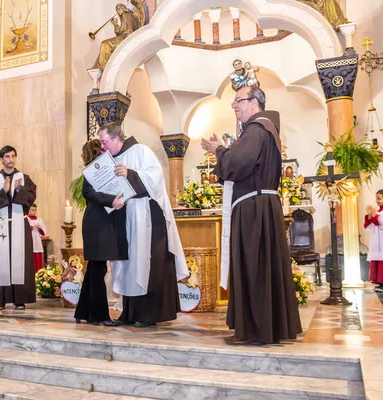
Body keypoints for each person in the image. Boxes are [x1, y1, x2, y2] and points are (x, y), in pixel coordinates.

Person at [201, 86, 302, 345]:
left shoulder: (256, 130)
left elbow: (237, 164)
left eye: (238, 101)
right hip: (261, 204)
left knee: (253, 266)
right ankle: (269, 326)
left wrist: (219, 151)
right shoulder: (265, 129)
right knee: (262, 266)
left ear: (255, 102)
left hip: (253, 209)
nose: (234, 106)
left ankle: (255, 331)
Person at [99, 122, 189, 327]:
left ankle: (148, 315)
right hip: (125, 218)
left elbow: (155, 178)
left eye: (104, 142)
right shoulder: (111, 160)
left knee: (146, 264)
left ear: (116, 138)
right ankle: (128, 313)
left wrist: (130, 173)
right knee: (128, 265)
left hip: (147, 218)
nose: (103, 147)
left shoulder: (142, 151)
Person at [74, 139, 128, 326]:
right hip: (96, 225)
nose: (105, 149)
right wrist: (111, 200)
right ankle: (99, 316)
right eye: (102, 147)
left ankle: (84, 311)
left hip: (101, 223)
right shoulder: (93, 171)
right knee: (98, 269)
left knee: (95, 270)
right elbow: (88, 193)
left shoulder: (105, 168)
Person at [0, 145, 37, 310]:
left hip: (19, 223)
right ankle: (0, 298)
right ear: (1, 159)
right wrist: (4, 191)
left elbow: (30, 198)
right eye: (7, 156)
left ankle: (19, 298)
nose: (11, 159)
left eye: (13, 156)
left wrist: (18, 190)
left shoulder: (24, 178)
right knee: (1, 259)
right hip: (1, 225)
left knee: (20, 259)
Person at [27, 203, 46, 272]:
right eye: (32, 210)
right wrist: (32, 227)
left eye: (35, 210)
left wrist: (39, 229)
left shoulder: (39, 220)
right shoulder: (26, 219)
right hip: (29, 242)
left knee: (38, 259)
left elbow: (44, 232)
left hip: (37, 242)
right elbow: (24, 229)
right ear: (29, 210)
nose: (34, 212)